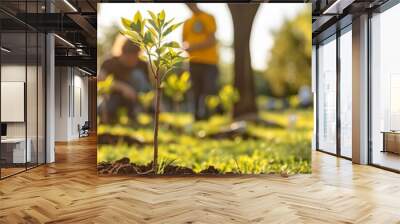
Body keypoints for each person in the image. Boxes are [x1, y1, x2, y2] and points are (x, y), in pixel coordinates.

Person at [98, 35, 151, 124]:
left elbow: (149, 89)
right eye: (129, 56)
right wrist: (122, 87)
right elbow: (100, 80)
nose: (132, 60)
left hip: (136, 100)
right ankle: (109, 116)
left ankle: (137, 113)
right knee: (103, 110)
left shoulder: (142, 65)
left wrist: (158, 108)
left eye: (135, 56)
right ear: (122, 52)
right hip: (113, 97)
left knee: (137, 75)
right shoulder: (109, 62)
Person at [183, 3, 219, 120]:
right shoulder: (187, 22)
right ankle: (196, 117)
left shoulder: (208, 17)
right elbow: (184, 42)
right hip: (193, 62)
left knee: (208, 90)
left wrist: (194, 47)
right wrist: (187, 48)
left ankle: (207, 117)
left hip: (209, 62)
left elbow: (212, 40)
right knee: (195, 91)